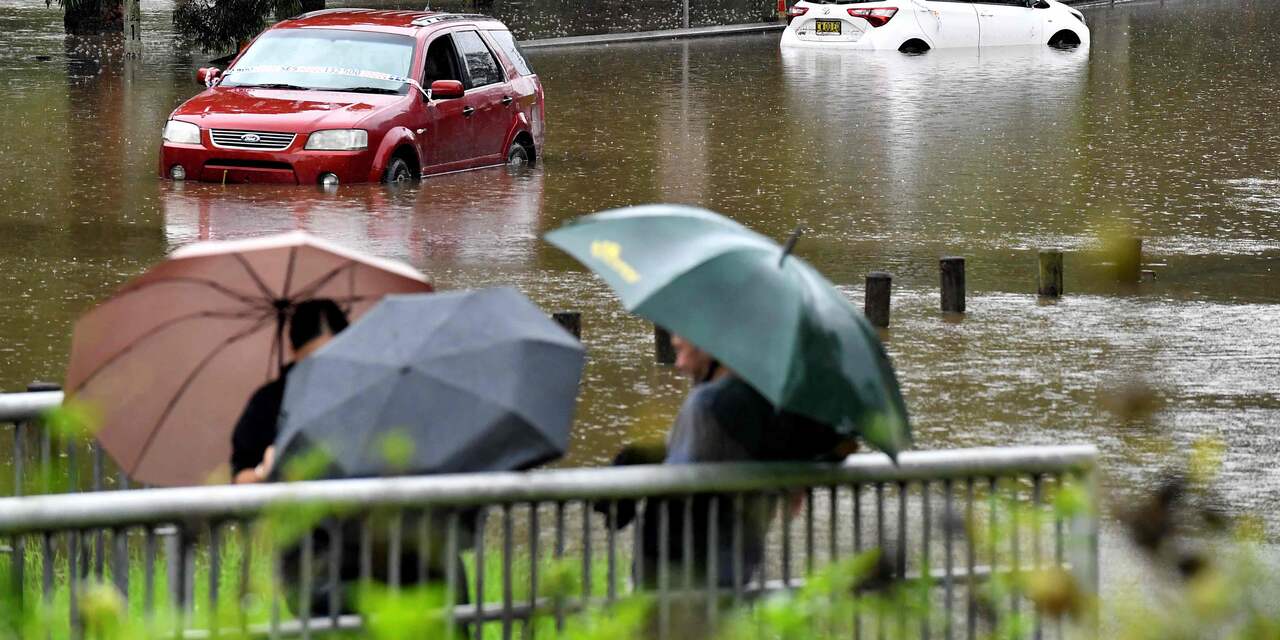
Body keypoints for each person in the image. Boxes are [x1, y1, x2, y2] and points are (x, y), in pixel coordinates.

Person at [635, 331, 851, 592]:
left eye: (681, 351)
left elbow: (679, 476)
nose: (678, 365)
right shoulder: (767, 400)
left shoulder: (709, 403)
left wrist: (634, 478)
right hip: (739, 553)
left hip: (683, 556)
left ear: (708, 348)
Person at [230, 298, 348, 484]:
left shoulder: (363, 394)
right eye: (311, 361)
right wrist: (263, 472)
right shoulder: (268, 401)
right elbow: (240, 475)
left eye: (332, 357)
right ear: (294, 351)